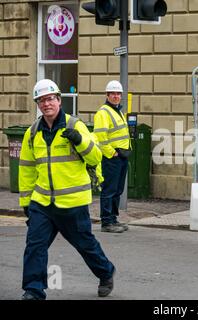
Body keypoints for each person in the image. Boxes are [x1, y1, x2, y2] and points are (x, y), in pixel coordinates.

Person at [19, 79, 116, 300]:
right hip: (42, 203)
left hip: (72, 204)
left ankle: (106, 272)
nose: (46, 104)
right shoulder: (32, 133)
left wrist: (80, 141)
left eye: (50, 98)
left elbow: (95, 156)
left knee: (85, 245)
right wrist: (26, 202)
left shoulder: (75, 126)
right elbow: (26, 169)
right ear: (38, 104)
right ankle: (33, 290)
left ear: (59, 101)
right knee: (35, 246)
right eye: (41, 100)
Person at [93, 80, 131, 233]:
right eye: (113, 94)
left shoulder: (117, 111)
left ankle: (113, 219)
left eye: (118, 94)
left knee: (117, 190)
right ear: (107, 95)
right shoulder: (103, 113)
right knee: (109, 190)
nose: (116, 96)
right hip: (111, 158)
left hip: (121, 156)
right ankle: (106, 222)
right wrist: (112, 153)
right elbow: (100, 138)